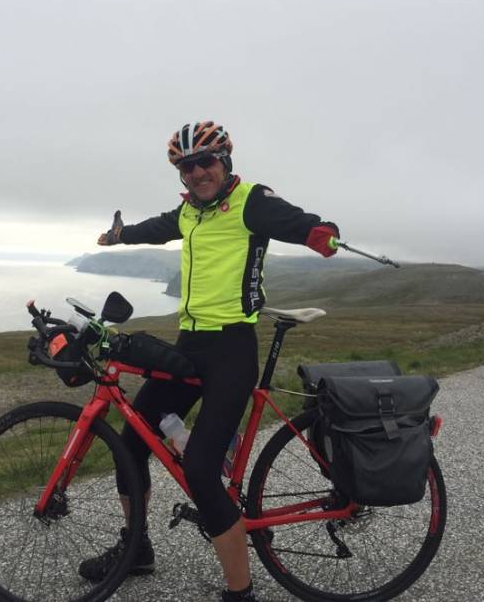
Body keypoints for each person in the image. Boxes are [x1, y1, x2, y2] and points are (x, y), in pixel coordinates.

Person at [81, 121, 339, 602]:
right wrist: (120, 236)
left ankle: (241, 593)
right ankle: (136, 548)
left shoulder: (250, 202)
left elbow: (300, 222)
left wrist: (322, 234)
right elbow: (158, 227)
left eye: (205, 162)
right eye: (186, 167)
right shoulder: (188, 213)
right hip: (189, 347)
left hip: (231, 350)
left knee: (200, 471)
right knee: (131, 441)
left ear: (224, 162)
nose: (197, 173)